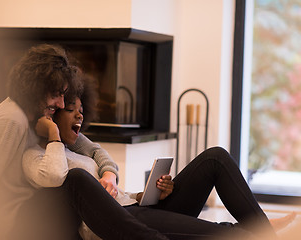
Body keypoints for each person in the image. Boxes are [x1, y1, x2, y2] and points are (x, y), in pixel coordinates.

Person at [21, 77, 296, 240]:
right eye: (71, 110)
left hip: (138, 208)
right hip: (121, 223)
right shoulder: (37, 156)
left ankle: (259, 228)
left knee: (216, 158)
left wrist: (148, 194)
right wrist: (53, 134)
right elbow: (57, 176)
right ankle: (258, 232)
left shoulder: (78, 148)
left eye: (82, 110)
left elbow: (103, 162)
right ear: (51, 115)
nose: (80, 115)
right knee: (209, 233)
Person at [0, 43, 83, 239]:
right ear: (35, 88)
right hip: (15, 221)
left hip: (33, 208)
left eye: (63, 95)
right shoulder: (11, 120)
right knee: (75, 183)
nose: (61, 104)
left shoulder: (37, 115)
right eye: (56, 95)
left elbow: (87, 145)